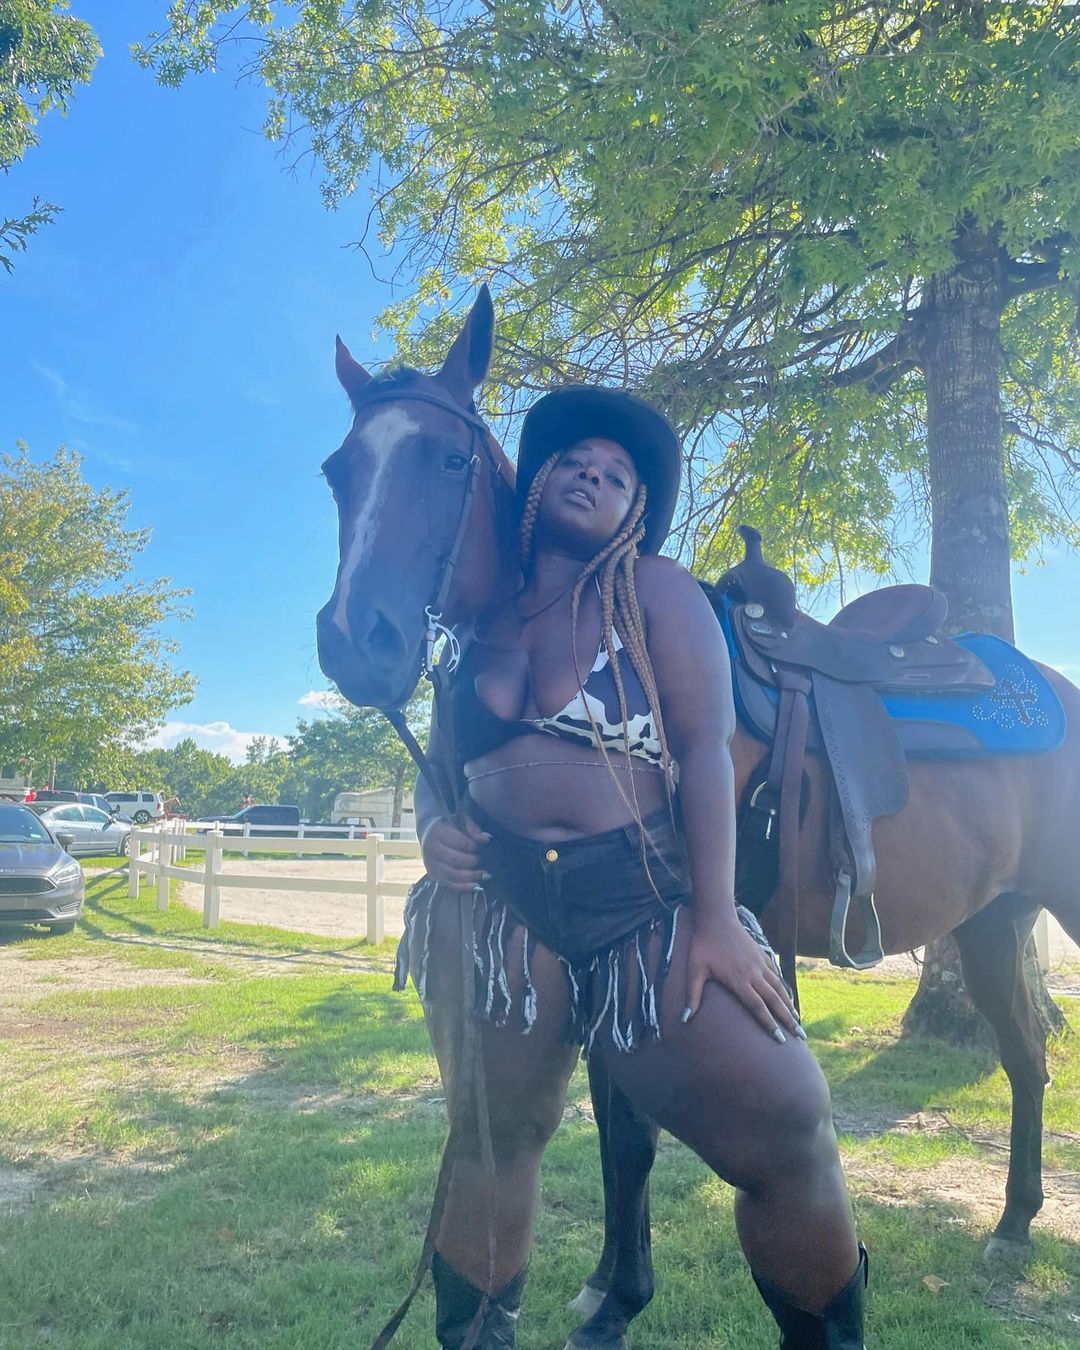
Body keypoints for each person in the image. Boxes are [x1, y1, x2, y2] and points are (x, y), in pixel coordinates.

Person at [397, 386, 867, 1348]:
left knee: (788, 1124)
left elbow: (705, 750)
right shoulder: (480, 613)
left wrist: (716, 917)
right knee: (490, 1140)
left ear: (637, 511)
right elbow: (441, 767)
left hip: (643, 896)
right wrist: (434, 827)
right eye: (574, 461)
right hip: (498, 910)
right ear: (536, 486)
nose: (592, 475)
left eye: (617, 475)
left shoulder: (658, 589)